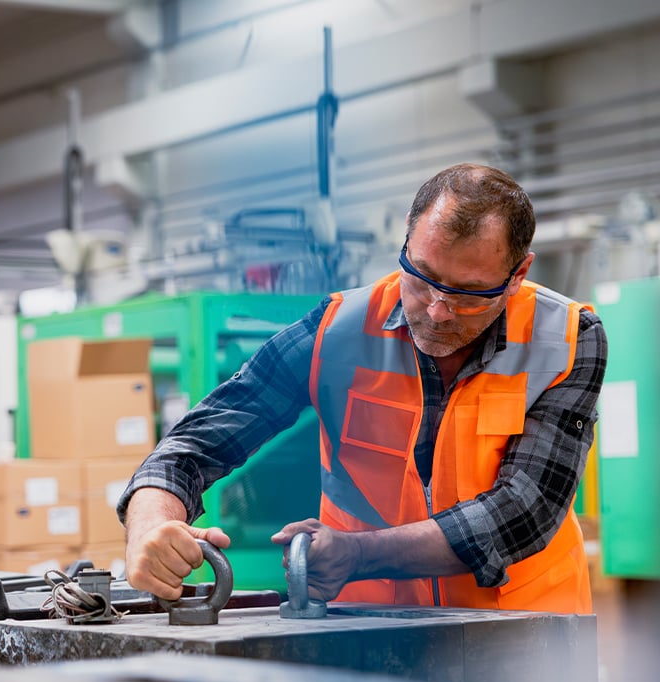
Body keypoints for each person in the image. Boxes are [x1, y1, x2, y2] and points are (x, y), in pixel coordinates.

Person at [117, 163, 607, 613]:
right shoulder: (338, 331)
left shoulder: (563, 338)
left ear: (517, 274)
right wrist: (149, 526)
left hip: (524, 637)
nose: (437, 310)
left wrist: (357, 554)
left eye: (469, 294)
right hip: (369, 631)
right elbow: (194, 444)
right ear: (407, 243)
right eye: (422, 278)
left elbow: (524, 509)